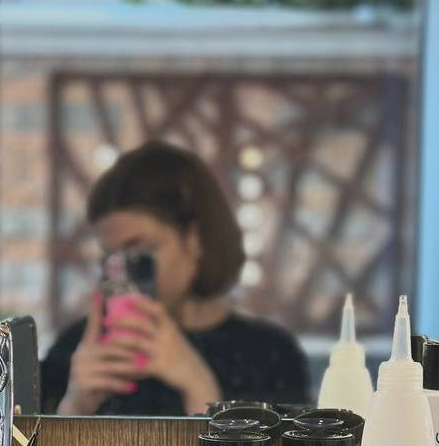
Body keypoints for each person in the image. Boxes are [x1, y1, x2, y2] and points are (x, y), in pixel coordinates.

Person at [41, 141, 310, 416]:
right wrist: (76, 405)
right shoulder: (79, 349)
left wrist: (196, 383)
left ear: (194, 238)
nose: (123, 271)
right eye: (111, 256)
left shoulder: (269, 356)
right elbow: (33, 444)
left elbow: (282, 444)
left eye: (140, 253)